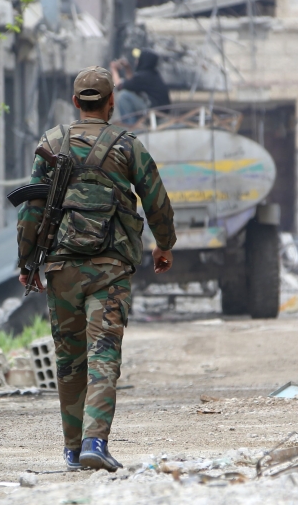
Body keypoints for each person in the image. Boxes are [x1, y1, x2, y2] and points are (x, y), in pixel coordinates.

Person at [16, 66, 177, 472]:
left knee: (70, 361)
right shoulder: (128, 146)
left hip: (61, 267)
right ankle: (94, 442)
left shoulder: (52, 142)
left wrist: (26, 261)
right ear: (110, 103)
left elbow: (32, 209)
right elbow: (156, 201)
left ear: (75, 102)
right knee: (103, 354)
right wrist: (164, 245)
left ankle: (73, 450)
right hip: (109, 270)